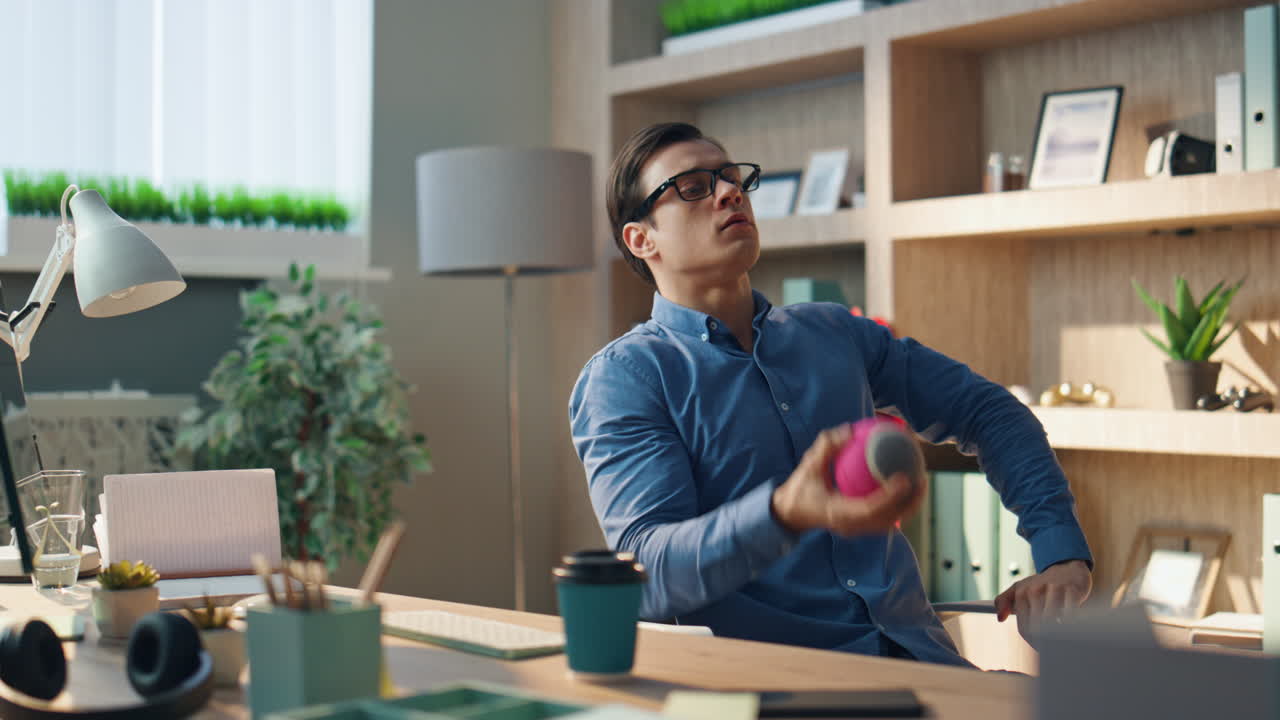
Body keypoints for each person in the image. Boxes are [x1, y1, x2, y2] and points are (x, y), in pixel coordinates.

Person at [567, 122, 1093, 667]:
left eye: (731, 177)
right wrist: (781, 514)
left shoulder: (835, 333)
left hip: (926, 664)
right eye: (694, 188)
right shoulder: (626, 378)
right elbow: (646, 574)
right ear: (641, 239)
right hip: (781, 690)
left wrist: (1060, 552)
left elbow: (988, 411)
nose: (729, 192)